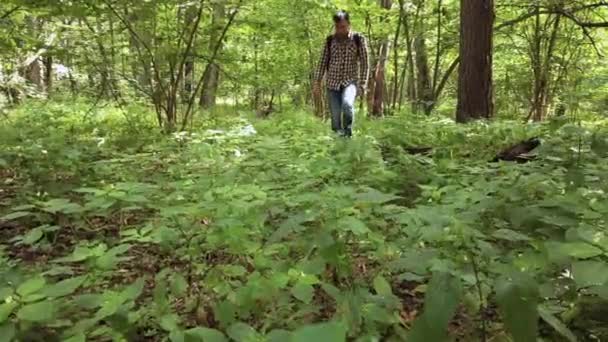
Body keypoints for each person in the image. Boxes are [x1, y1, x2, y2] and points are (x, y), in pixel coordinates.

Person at [313, 10, 370, 138]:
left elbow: (365, 63)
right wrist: (317, 83)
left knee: (347, 105)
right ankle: (338, 142)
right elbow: (322, 62)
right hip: (332, 83)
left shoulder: (358, 39)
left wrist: (363, 84)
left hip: (350, 82)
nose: (340, 30)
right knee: (335, 116)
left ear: (349, 25)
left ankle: (348, 136)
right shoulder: (329, 41)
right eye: (337, 27)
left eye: (343, 27)